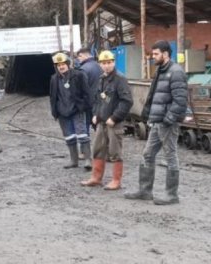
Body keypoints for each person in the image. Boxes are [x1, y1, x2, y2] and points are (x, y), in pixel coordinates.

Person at [125, 40, 188, 205]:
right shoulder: (160, 70)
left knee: (170, 156)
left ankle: (172, 195)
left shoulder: (176, 72)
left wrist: (169, 119)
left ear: (166, 54)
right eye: (152, 54)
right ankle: (145, 191)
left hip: (167, 123)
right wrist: (147, 114)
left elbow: (180, 101)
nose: (153, 57)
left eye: (156, 54)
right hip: (157, 121)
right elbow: (154, 96)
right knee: (147, 154)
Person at [81, 50, 133, 189]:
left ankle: (116, 180)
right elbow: (98, 99)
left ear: (114, 62)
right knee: (98, 149)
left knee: (115, 151)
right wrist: (95, 114)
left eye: (109, 63)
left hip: (114, 122)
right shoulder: (102, 78)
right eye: (104, 63)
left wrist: (115, 117)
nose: (106, 66)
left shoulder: (120, 79)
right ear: (100, 64)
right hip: (102, 121)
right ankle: (96, 178)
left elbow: (127, 101)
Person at [49, 52, 93, 170]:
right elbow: (53, 96)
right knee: (69, 137)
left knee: (82, 134)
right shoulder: (54, 79)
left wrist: (84, 107)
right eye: (58, 65)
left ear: (68, 64)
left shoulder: (78, 75)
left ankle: (88, 160)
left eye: (63, 64)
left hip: (76, 110)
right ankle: (74, 161)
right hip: (62, 112)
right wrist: (55, 111)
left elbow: (87, 93)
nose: (61, 67)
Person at [76, 47, 102, 130]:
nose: (78, 59)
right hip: (101, 100)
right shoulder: (99, 65)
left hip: (89, 103)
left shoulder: (83, 69)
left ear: (83, 55)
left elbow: (80, 88)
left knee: (85, 126)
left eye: (79, 57)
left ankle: (86, 143)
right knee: (100, 126)